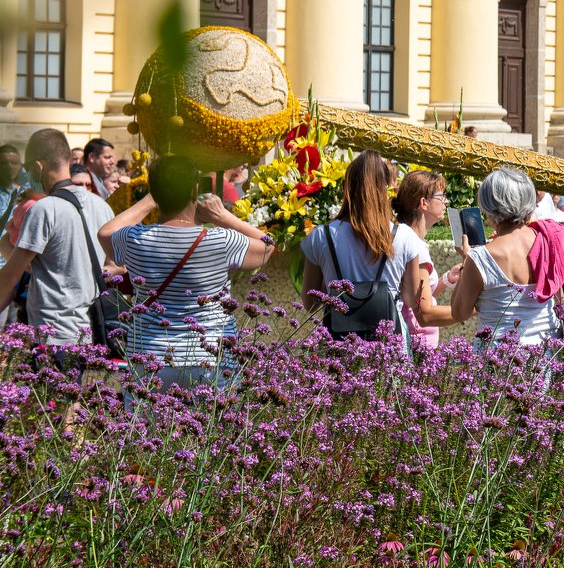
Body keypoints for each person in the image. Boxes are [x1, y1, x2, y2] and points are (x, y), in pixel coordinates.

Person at [98, 155, 273, 387]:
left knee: (149, 423)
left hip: (150, 357)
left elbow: (105, 232)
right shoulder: (221, 240)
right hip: (211, 357)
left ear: (155, 192)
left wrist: (151, 199)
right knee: (214, 423)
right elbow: (268, 246)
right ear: (195, 191)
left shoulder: (136, 239)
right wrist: (223, 216)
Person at [302, 151, 451, 347]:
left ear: (347, 188)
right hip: (390, 346)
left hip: (339, 345)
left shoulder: (321, 236)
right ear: (384, 189)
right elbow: (410, 298)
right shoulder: (403, 236)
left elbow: (310, 302)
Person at [0, 129, 114, 366]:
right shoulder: (101, 206)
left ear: (38, 167)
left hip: (53, 332)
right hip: (91, 330)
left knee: (50, 402)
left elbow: (11, 275)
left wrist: (4, 246)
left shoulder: (43, 210)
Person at [448, 167, 564, 347]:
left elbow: (459, 313)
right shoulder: (548, 242)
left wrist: (466, 260)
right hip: (546, 354)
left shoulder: (480, 257)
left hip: (498, 362)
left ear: (487, 206)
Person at [391, 171, 449, 351]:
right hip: (418, 346)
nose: (446, 201)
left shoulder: (405, 238)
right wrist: (472, 308)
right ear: (424, 203)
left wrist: (446, 280)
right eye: (442, 196)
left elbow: (419, 293)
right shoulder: (415, 247)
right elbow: (423, 310)